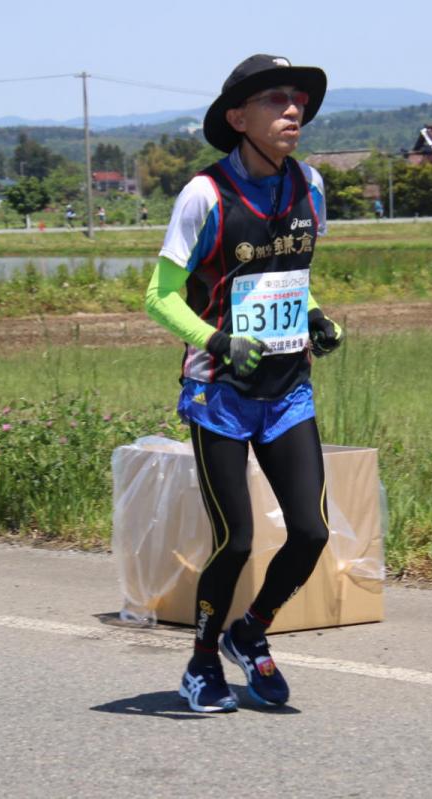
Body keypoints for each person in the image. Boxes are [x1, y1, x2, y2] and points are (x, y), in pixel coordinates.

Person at [144, 54, 344, 713]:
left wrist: (313, 319)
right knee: (238, 539)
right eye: (276, 100)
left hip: (287, 390)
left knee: (312, 532)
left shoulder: (310, 186)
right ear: (238, 118)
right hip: (219, 394)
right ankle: (202, 663)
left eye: (299, 101)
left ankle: (250, 628)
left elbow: (291, 275)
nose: (294, 111)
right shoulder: (204, 196)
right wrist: (216, 339)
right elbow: (159, 297)